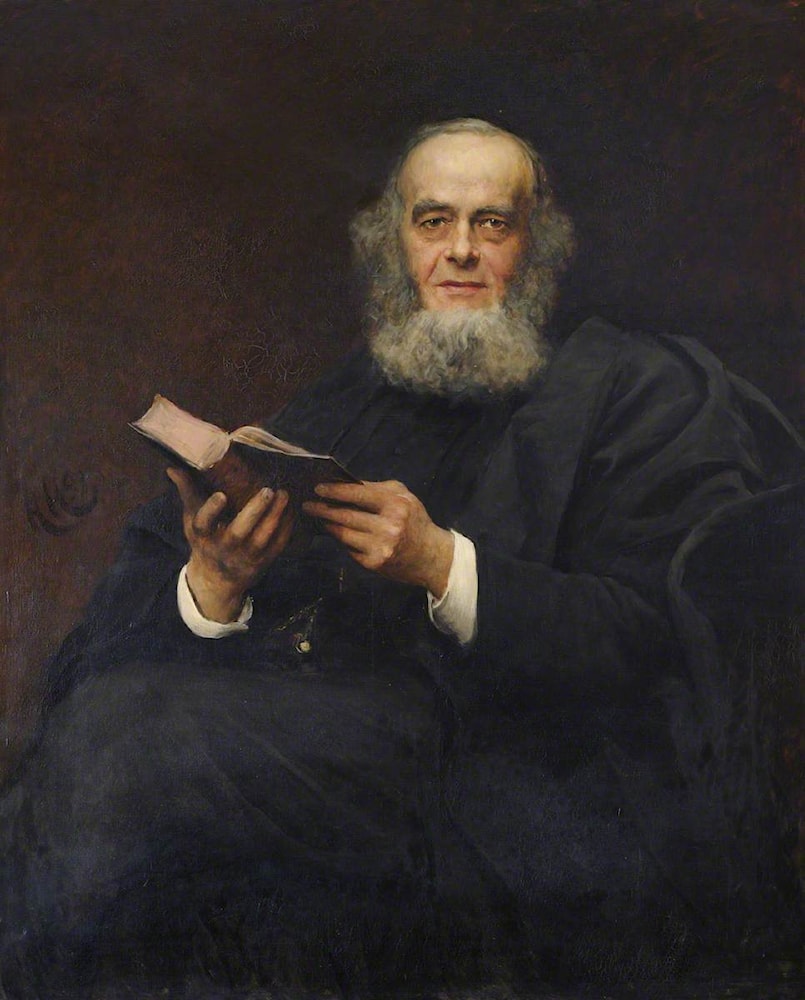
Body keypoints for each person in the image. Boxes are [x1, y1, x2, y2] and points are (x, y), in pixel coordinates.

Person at [0, 118, 802, 997]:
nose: (459, 251)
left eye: (491, 223)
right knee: (104, 734)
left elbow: (669, 638)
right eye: (432, 221)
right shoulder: (357, 392)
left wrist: (441, 564)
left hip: (502, 788)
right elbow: (136, 600)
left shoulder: (641, 386)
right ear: (397, 244)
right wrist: (215, 586)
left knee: (127, 737)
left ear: (538, 247)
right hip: (321, 752)